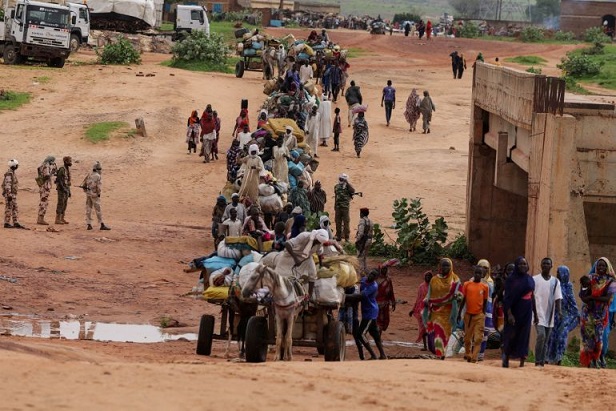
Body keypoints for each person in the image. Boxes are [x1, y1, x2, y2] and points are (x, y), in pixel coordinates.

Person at [579, 257, 616, 368]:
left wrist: (592, 297)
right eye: (598, 265)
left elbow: (608, 298)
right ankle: (588, 361)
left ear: (607, 267)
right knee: (587, 337)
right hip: (587, 313)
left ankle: (596, 359)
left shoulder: (611, 281)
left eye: (603, 265)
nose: (600, 267)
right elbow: (582, 296)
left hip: (600, 314)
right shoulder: (589, 278)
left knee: (598, 338)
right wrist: (585, 288)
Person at [423, 258, 462, 359]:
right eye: (443, 265)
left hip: (449, 315)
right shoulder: (434, 280)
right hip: (435, 314)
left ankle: (441, 356)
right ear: (439, 267)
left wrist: (458, 296)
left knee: (444, 337)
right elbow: (429, 294)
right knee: (435, 338)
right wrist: (426, 300)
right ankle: (440, 355)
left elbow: (461, 295)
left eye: (447, 266)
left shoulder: (455, 280)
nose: (445, 268)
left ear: (451, 267)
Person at [501, 256, 534, 368]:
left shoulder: (530, 279)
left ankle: (522, 360)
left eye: (525, 264)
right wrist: (509, 314)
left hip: (527, 311)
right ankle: (506, 356)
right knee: (511, 334)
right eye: (520, 264)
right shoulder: (511, 280)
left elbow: (532, 296)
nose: (523, 266)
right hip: (515, 310)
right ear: (516, 265)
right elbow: (508, 298)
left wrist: (536, 313)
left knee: (524, 335)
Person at [531, 257, 563, 367]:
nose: (545, 265)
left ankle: (542, 361)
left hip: (550, 315)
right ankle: (537, 360)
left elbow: (558, 297)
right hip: (537, 313)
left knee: (546, 340)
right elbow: (531, 296)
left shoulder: (555, 281)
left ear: (551, 266)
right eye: (543, 263)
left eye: (547, 263)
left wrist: (559, 311)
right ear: (541, 265)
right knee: (541, 335)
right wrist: (533, 312)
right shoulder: (534, 279)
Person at [546, 266, 580, 365]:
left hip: (563, 315)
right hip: (553, 315)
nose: (557, 274)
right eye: (556, 272)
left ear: (564, 274)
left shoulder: (568, 286)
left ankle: (559, 358)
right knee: (551, 337)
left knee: (561, 336)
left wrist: (576, 314)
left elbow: (572, 302)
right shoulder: (553, 284)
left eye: (558, 272)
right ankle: (548, 358)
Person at [354, 269, 387, 360]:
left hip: (370, 313)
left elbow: (361, 296)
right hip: (369, 311)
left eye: (373, 276)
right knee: (374, 333)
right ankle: (383, 355)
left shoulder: (373, 286)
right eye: (371, 274)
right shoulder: (364, 279)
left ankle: (373, 354)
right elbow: (356, 281)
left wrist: (345, 296)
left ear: (376, 278)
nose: (371, 276)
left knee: (360, 334)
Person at [459, 266, 489, 363]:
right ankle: (468, 353)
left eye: (479, 274)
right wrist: (459, 313)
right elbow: (463, 300)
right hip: (468, 315)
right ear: (473, 273)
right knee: (467, 338)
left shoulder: (485, 287)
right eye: (476, 273)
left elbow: (485, 302)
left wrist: (483, 314)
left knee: (478, 338)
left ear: (482, 275)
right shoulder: (467, 284)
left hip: (479, 315)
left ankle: (474, 357)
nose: (477, 275)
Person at [83, 161, 110, 231]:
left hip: (88, 193)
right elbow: (99, 187)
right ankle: (101, 224)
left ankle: (89, 224)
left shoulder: (89, 174)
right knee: (98, 209)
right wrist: (98, 193)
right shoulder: (98, 176)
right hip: (94, 194)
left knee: (88, 209)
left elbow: (84, 184)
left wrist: (86, 191)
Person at [476, 259, 495, 361]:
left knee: (484, 334)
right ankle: (473, 353)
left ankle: (481, 354)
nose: (483, 270)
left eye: (486, 268)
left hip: (487, 311)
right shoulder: (472, 280)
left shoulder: (490, 282)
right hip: (475, 309)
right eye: (481, 267)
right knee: (475, 332)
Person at [410, 271, 433, 350]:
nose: (428, 277)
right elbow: (418, 299)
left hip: (431, 309)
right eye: (426, 276)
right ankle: (425, 346)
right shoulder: (421, 286)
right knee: (422, 328)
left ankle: (431, 345)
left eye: (429, 276)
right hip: (422, 309)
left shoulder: (433, 287)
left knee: (430, 328)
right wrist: (413, 309)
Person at [3, 159, 25, 229]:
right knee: (9, 207)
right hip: (10, 194)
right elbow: (7, 184)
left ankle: (15, 222)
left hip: (12, 194)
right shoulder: (9, 174)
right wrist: (9, 194)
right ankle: (7, 223)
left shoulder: (12, 173)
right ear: (14, 166)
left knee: (15, 207)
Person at [376, 260, 397, 334]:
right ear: (380, 270)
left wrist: (393, 302)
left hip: (385, 303)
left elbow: (391, 291)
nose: (384, 270)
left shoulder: (388, 280)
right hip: (376, 303)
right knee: (378, 320)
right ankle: (377, 335)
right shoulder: (376, 279)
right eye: (383, 269)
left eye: (385, 269)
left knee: (384, 320)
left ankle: (379, 335)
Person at [334, 173, 355, 242]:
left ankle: (347, 237)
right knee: (338, 222)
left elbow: (353, 191)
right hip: (338, 207)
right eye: (341, 178)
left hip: (345, 207)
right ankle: (339, 236)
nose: (341, 180)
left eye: (342, 179)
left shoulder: (348, 187)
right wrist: (335, 205)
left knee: (346, 223)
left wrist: (347, 183)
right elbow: (336, 196)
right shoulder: (336, 186)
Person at [37, 156, 57, 225]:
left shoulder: (42, 165)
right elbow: (47, 175)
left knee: (43, 201)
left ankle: (40, 218)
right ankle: (40, 218)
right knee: (44, 201)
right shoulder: (46, 166)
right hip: (45, 185)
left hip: (43, 185)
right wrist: (51, 172)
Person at [54, 156, 72, 225]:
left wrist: (69, 190)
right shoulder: (62, 169)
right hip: (61, 189)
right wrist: (63, 188)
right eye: (69, 161)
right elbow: (59, 179)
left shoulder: (67, 169)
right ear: (65, 162)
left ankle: (62, 218)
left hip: (66, 188)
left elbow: (67, 181)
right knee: (60, 204)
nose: (71, 163)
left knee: (64, 204)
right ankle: (57, 219)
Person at [355, 207, 373, 275]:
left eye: (360, 213)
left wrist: (357, 240)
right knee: (365, 257)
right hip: (369, 240)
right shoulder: (371, 221)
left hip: (363, 241)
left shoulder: (362, 221)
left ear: (362, 214)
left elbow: (361, 233)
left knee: (360, 257)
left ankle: (361, 273)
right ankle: (366, 271)